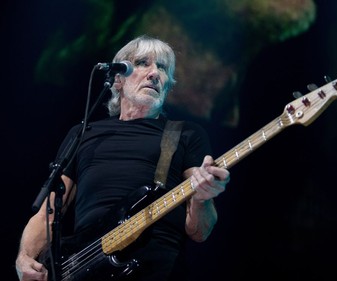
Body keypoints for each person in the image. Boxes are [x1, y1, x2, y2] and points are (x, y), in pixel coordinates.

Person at [15, 34, 230, 281]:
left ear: (168, 85)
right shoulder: (83, 134)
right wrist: (25, 258)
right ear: (118, 79)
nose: (154, 73)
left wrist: (203, 198)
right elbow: (48, 211)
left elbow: (200, 232)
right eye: (142, 63)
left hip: (156, 270)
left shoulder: (185, 134)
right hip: (82, 269)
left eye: (162, 68)